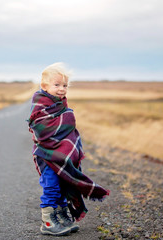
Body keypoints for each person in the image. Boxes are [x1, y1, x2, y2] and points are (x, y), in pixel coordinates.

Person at [27, 62, 110, 236]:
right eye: (56, 85)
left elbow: (68, 126)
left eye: (64, 85)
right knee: (51, 186)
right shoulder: (40, 103)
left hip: (61, 156)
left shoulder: (61, 104)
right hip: (47, 155)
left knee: (63, 184)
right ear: (45, 86)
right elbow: (40, 128)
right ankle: (48, 221)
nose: (61, 89)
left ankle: (62, 214)